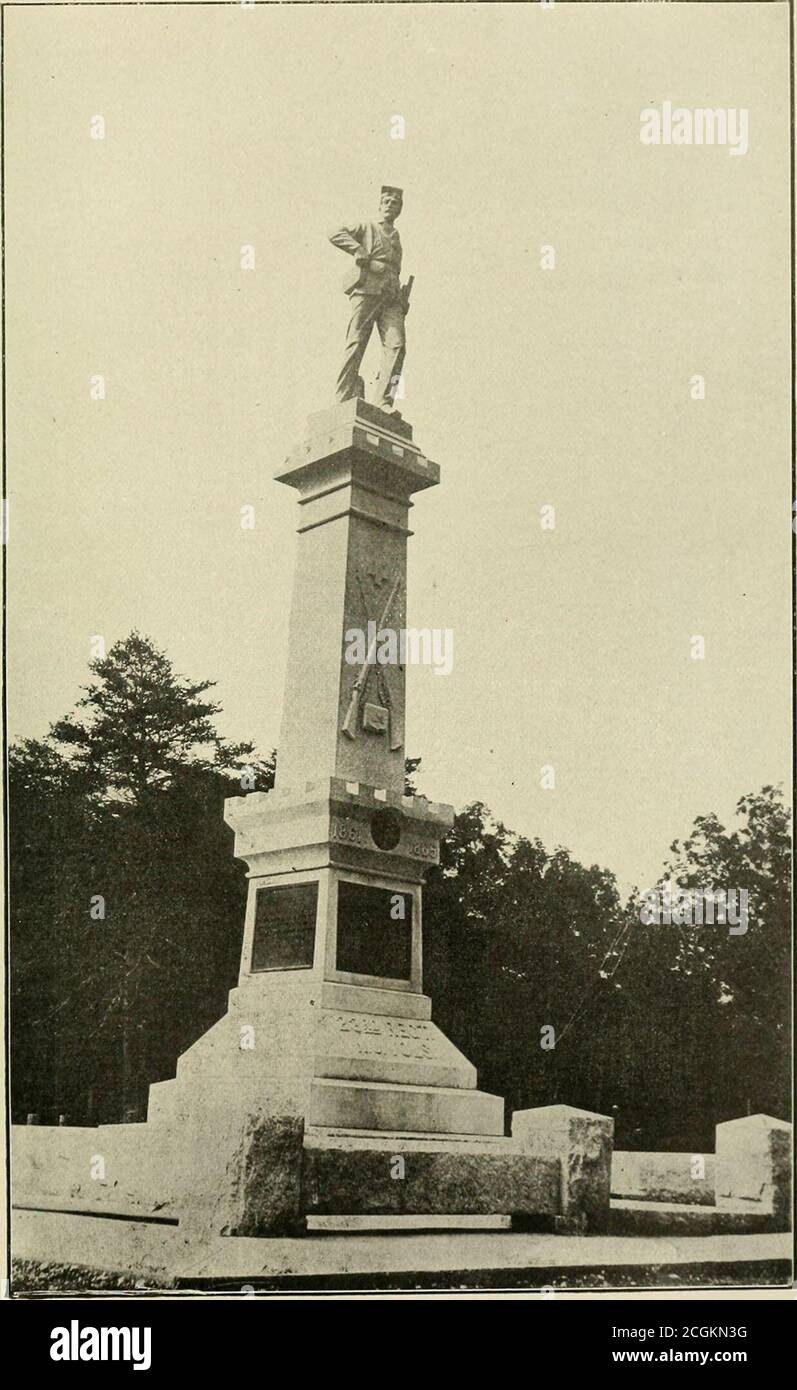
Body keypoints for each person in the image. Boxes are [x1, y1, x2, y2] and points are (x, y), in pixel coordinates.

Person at [329, 185, 411, 411]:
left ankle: (384, 400)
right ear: (379, 205)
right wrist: (359, 251)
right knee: (356, 342)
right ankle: (343, 397)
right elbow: (335, 233)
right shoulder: (367, 227)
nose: (390, 206)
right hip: (368, 289)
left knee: (397, 346)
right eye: (386, 201)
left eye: (395, 203)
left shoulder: (397, 238)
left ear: (399, 210)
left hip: (392, 297)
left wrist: (402, 299)